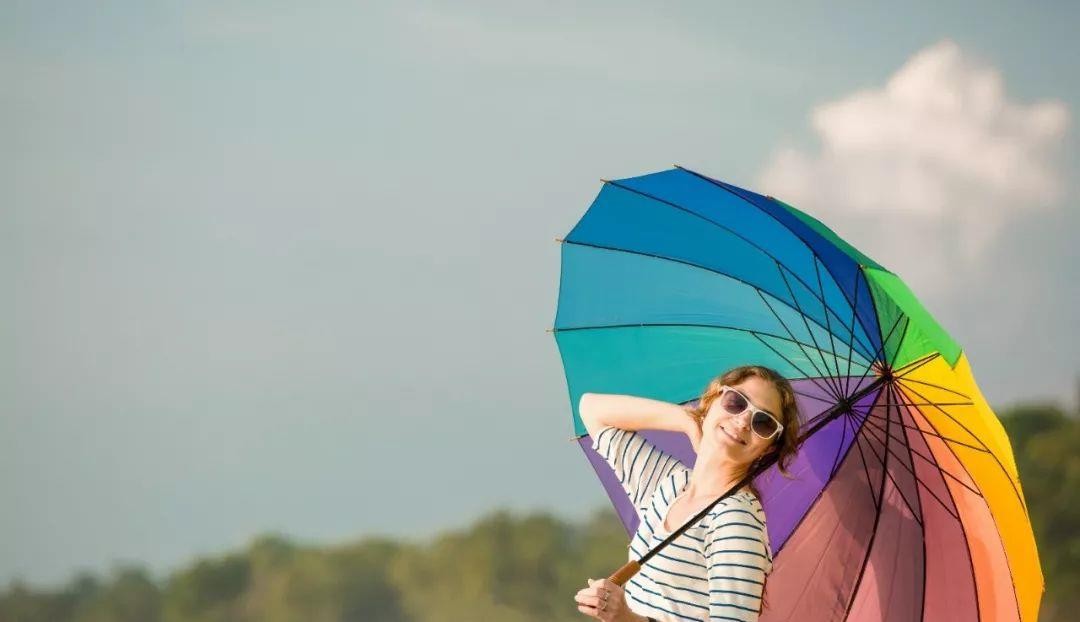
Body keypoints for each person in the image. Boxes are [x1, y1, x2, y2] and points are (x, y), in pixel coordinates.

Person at [573, 365, 801, 622]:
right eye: (736, 402)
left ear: (769, 449)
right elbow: (591, 409)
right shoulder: (670, 482)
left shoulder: (736, 520)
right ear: (712, 400)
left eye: (763, 422)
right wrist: (685, 419)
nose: (743, 421)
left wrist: (628, 618)